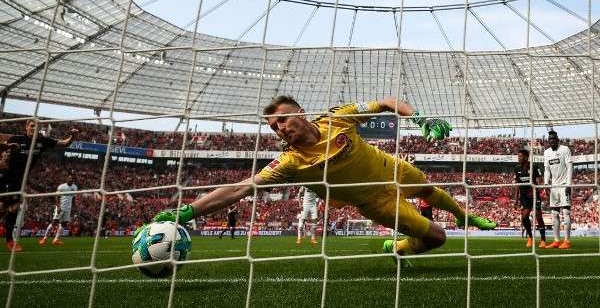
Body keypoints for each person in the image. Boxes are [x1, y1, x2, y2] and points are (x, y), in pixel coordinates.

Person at [152, 96, 496, 262]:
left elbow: (387, 102)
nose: (280, 128)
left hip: (388, 166)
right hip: (374, 201)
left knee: (427, 189)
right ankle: (398, 247)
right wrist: (187, 213)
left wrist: (420, 117)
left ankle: (463, 214)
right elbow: (241, 188)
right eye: (274, 127)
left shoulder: (338, 118)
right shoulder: (289, 163)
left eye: (283, 119)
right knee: (437, 238)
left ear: (299, 113)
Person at [2, 120, 77, 251]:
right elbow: (3, 150)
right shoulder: (16, 139)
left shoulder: (41, 141)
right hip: (5, 176)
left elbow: (64, 143)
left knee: (13, 209)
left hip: (19, 181)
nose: (34, 128)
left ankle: (9, 241)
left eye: (36, 126)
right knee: (4, 208)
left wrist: (73, 136)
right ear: (26, 127)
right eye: (32, 125)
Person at [543, 130, 572, 249]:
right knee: (554, 213)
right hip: (553, 186)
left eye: (554, 138)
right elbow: (547, 170)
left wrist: (569, 184)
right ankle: (556, 240)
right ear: (548, 141)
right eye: (550, 139)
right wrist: (546, 183)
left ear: (558, 139)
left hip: (564, 184)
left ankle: (567, 241)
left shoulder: (565, 149)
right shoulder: (546, 153)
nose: (552, 141)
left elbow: (570, 167)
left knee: (566, 212)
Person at [514, 149, 546, 248]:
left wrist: (538, 189)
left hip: (534, 195)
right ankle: (530, 237)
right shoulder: (517, 168)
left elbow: (540, 179)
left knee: (539, 217)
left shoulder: (534, 167)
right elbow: (517, 185)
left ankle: (543, 240)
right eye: (518, 156)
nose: (518, 158)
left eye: (520, 156)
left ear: (526, 157)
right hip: (524, 196)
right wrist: (516, 200)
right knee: (524, 217)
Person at [39, 173, 77, 246]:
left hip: (68, 208)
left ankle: (56, 239)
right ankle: (44, 238)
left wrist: (73, 207)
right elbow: (57, 197)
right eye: (70, 178)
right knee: (54, 222)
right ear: (67, 178)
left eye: (73, 178)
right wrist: (58, 206)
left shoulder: (75, 187)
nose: (71, 179)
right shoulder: (62, 187)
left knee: (64, 224)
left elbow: (74, 198)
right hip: (61, 207)